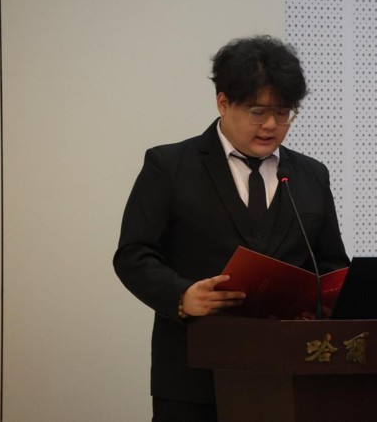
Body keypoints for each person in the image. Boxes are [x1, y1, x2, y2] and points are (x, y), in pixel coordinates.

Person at [113, 35, 350, 421]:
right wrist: (181, 296)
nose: (271, 125)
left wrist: (322, 304)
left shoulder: (311, 175)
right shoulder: (169, 166)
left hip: (290, 376)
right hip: (193, 377)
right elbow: (133, 254)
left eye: (284, 112)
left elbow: (331, 261)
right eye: (258, 112)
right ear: (223, 102)